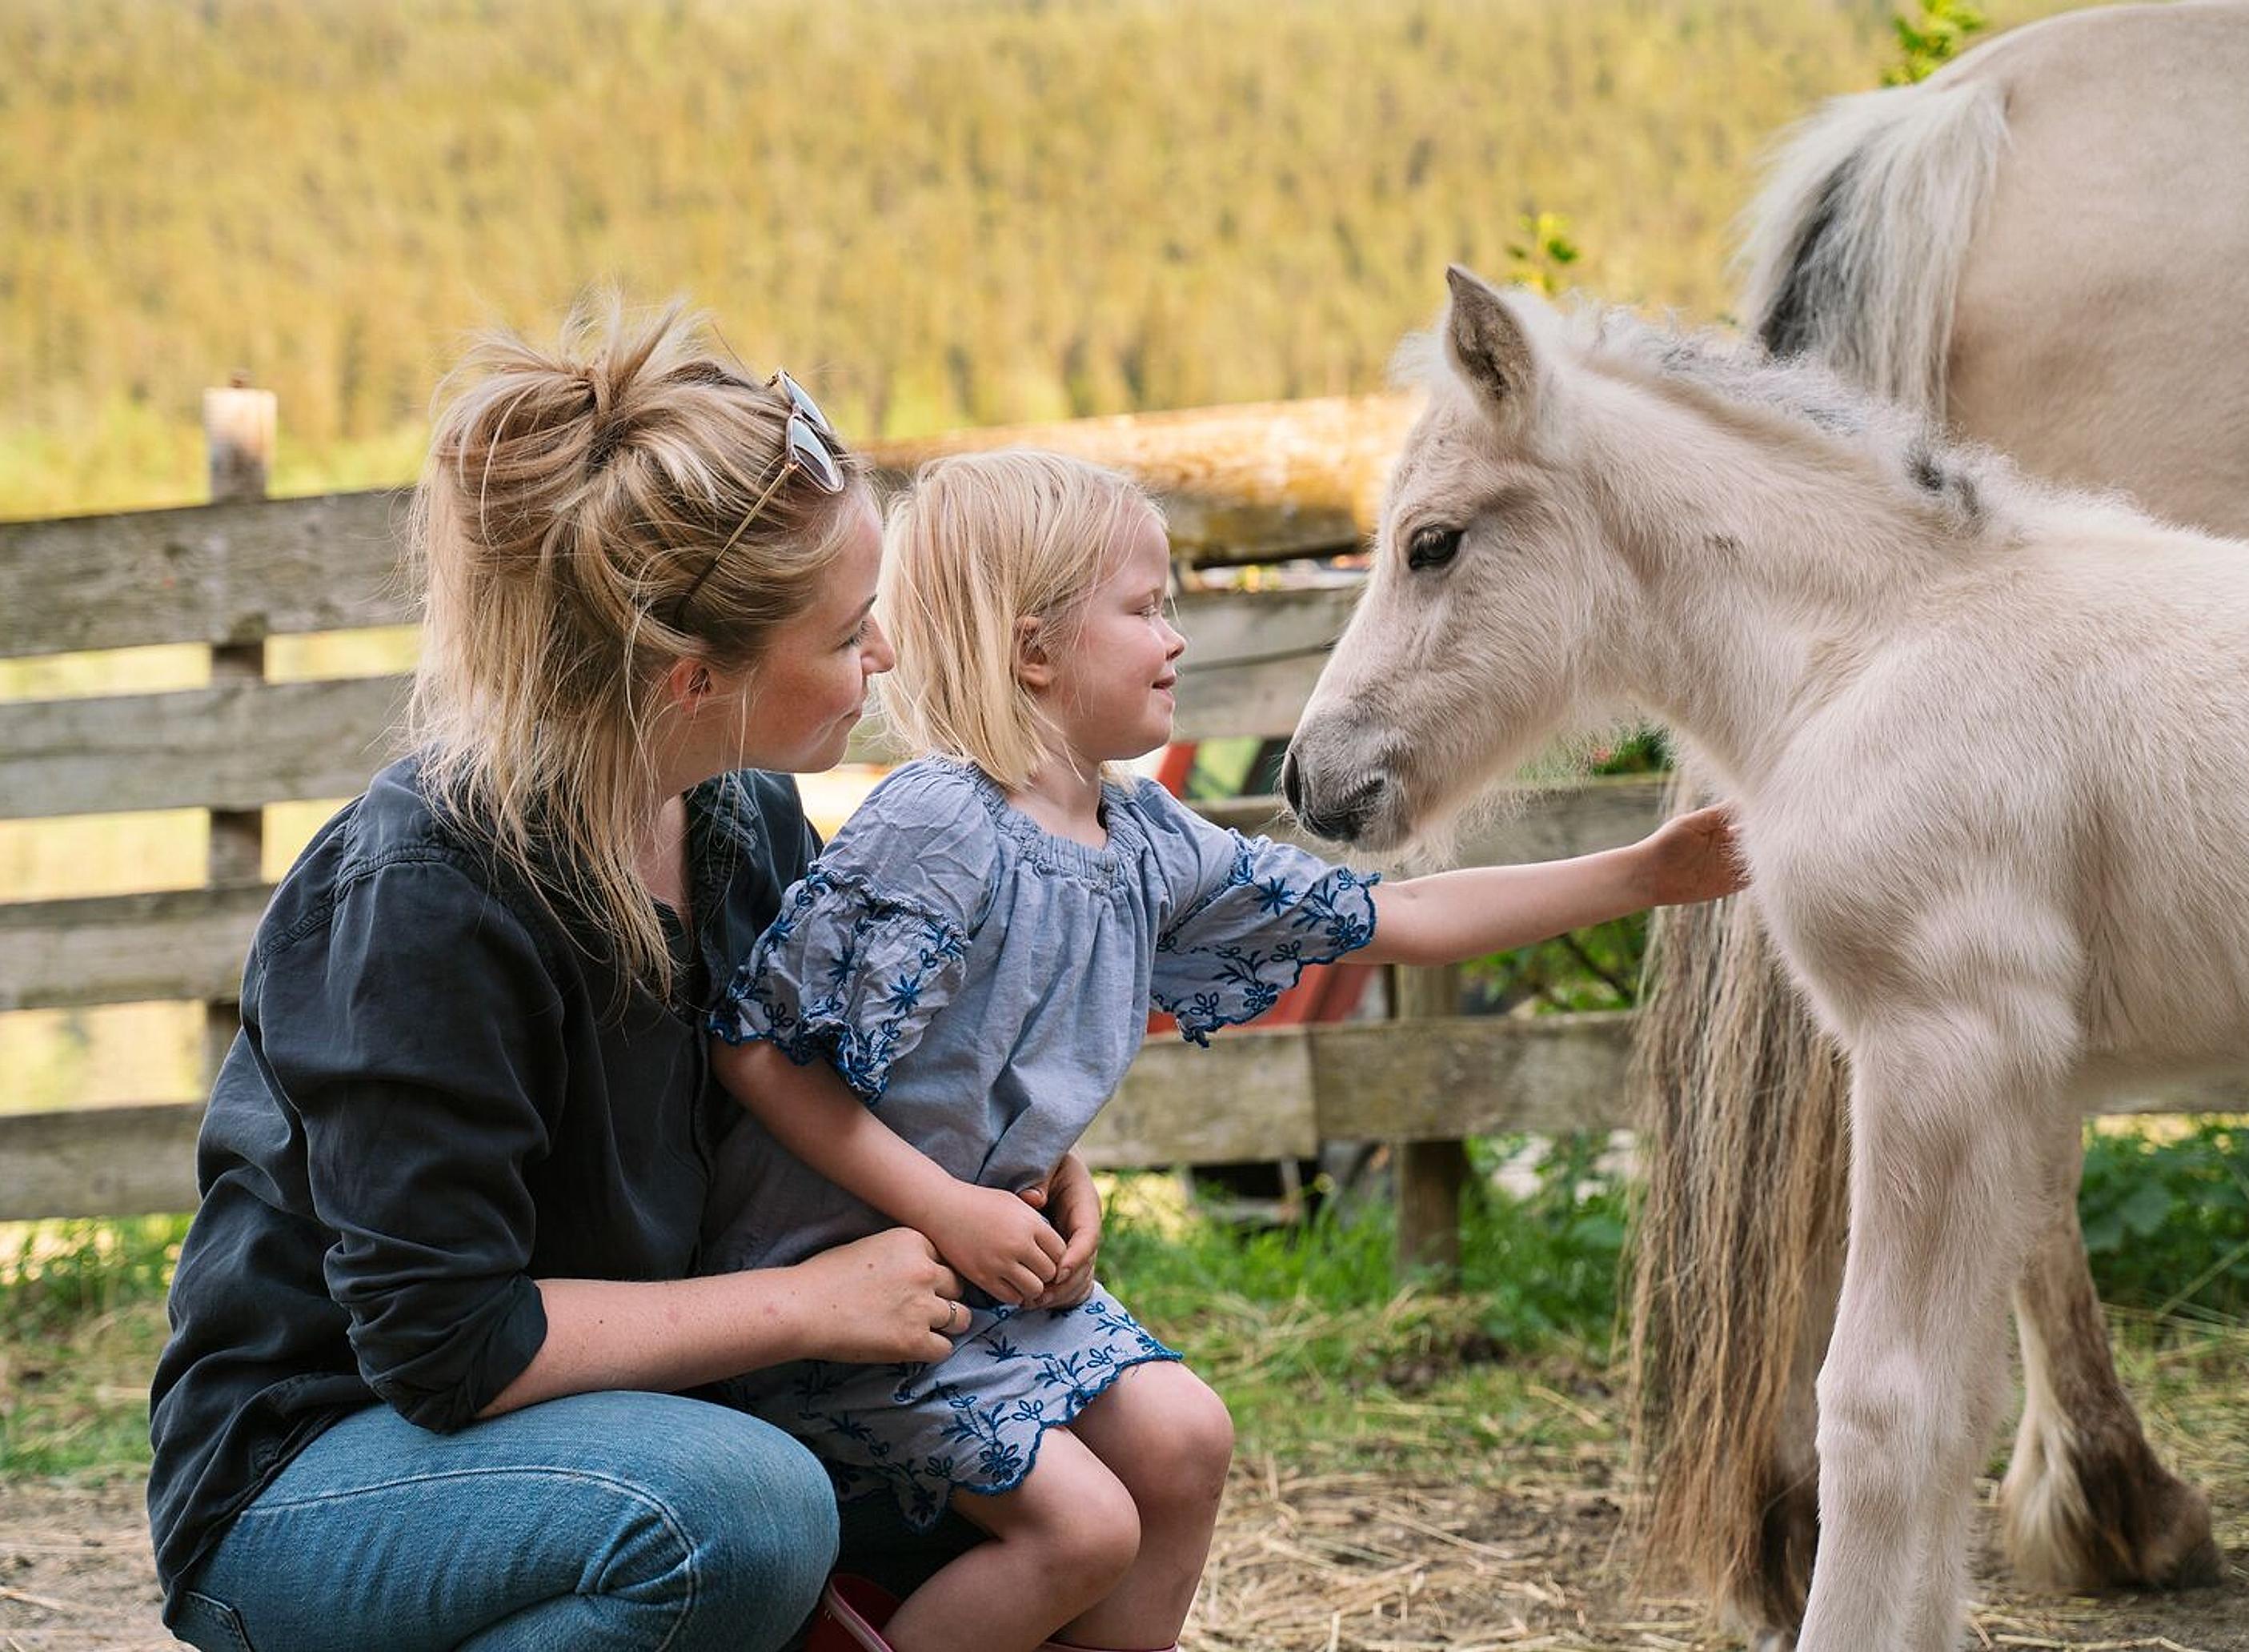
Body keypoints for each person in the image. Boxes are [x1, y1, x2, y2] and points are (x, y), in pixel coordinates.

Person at [144, 301, 1084, 1652]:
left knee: (1038, 1460)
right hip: (322, 1472)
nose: (879, 658)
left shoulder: (738, 815)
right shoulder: (429, 894)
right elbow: (443, 1346)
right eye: (845, 635)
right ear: (692, 678)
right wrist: (812, 1305)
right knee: (739, 1515)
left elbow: (810, 1089)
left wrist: (1002, 1159)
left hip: (619, 1413)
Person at [704, 449, 1748, 1652]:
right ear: (1035, 651)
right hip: (852, 1291)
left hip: (990, 1276)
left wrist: (1644, 873)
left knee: (1189, 1440)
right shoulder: (935, 828)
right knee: (1083, 1531)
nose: (1176, 639)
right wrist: (950, 1208)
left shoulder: (1141, 836)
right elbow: (764, 1059)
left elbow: (1391, 918)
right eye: (1145, 610)